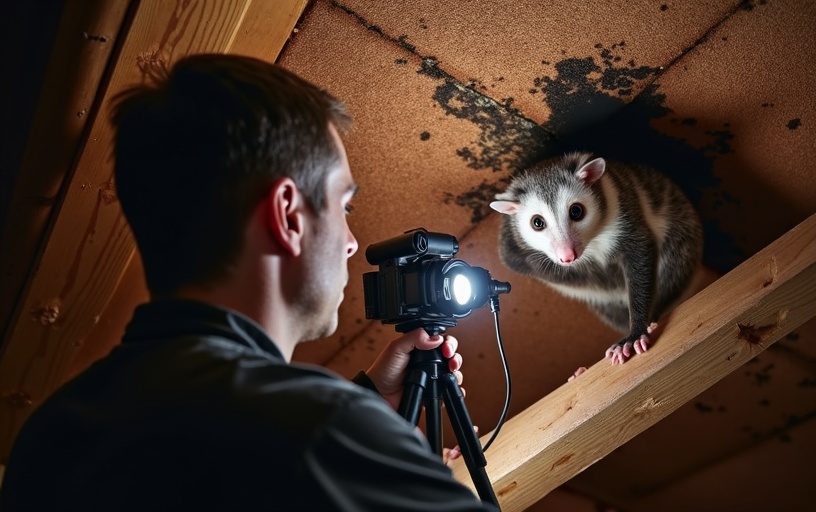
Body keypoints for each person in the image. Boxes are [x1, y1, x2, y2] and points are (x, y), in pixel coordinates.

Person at [0, 54, 496, 511]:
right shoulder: (321, 430)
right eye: (344, 206)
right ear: (287, 215)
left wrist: (369, 408)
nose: (350, 242)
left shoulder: (53, 433)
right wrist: (370, 439)